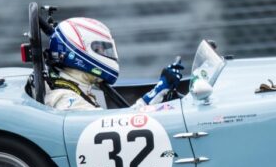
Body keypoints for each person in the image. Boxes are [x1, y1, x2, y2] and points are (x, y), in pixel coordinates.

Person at [43, 17, 184, 111]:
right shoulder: (66, 100)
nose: (105, 53)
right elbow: (115, 130)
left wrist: (160, 96)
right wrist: (154, 94)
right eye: (99, 49)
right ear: (78, 50)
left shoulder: (80, 89)